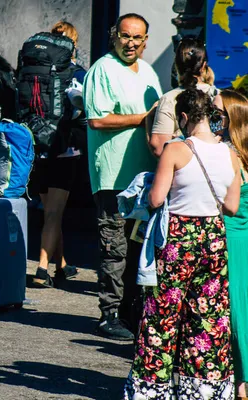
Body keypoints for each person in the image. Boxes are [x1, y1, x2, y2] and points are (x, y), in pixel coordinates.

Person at [124, 87, 240, 398]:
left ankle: (151, 390)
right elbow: (230, 207)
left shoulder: (175, 150)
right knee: (208, 318)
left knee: (162, 316)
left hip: (178, 238)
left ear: (185, 117)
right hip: (214, 238)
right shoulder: (231, 154)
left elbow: (156, 198)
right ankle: (205, 390)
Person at [83, 13, 163, 340]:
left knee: (139, 249)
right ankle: (109, 314)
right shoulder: (102, 69)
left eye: (137, 38)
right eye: (125, 36)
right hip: (114, 176)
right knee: (114, 248)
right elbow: (97, 120)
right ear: (114, 35)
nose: (130, 43)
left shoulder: (148, 72)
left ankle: (132, 311)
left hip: (144, 177)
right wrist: (142, 117)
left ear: (145, 41)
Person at [32, 21, 86, 288]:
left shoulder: (38, 69)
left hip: (39, 148)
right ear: (73, 43)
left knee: (52, 212)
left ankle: (61, 264)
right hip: (66, 150)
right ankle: (42, 269)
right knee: (54, 213)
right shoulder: (77, 73)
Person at [219, 89, 248, 398]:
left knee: (235, 311)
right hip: (244, 238)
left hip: (229, 238)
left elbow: (227, 204)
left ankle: (240, 382)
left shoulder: (228, 154)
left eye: (217, 113)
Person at [149, 38, 218, 157]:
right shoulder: (219, 96)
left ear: (176, 65)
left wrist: (148, 120)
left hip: (183, 169)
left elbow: (159, 148)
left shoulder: (169, 99)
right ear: (204, 66)